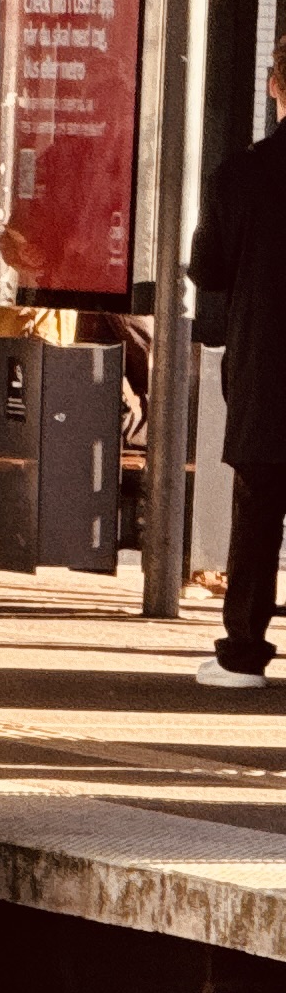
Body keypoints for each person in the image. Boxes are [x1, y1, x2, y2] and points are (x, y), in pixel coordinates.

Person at [185, 41, 286, 689]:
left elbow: (210, 268)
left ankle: (245, 653)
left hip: (267, 371)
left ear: (276, 86)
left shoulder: (241, 175)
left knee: (258, 513)